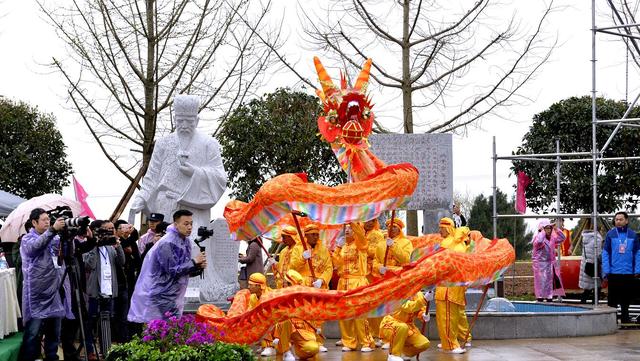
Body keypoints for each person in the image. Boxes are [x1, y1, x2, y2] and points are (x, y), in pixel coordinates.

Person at [131, 94, 227, 235]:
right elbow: (152, 175)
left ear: (197, 120)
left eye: (189, 121)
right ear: (175, 119)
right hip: (165, 203)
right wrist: (141, 197)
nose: (184, 125)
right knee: (165, 244)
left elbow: (220, 177)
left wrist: (194, 172)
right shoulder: (163, 143)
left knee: (194, 247)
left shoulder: (209, 143)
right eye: (180, 120)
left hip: (195, 208)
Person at [128, 209, 207, 323]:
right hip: (161, 293)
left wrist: (198, 267)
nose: (189, 227)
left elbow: (183, 271)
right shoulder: (168, 242)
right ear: (176, 224)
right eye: (186, 224)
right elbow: (173, 271)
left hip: (173, 292)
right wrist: (194, 262)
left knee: (170, 328)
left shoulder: (185, 241)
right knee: (167, 327)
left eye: (191, 224)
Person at [20, 208, 73, 361]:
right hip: (36, 294)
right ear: (34, 222)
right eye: (43, 220)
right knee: (33, 333)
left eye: (48, 219)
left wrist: (69, 236)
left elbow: (68, 254)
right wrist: (52, 230)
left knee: (54, 333)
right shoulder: (27, 239)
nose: (47, 222)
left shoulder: (55, 237)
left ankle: (52, 357)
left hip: (54, 290)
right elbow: (35, 248)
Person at [83, 222, 125, 360]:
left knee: (106, 321)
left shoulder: (110, 247)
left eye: (109, 231)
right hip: (95, 291)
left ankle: (106, 350)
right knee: (90, 323)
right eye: (103, 232)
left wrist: (118, 246)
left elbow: (122, 262)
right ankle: (89, 350)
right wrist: (95, 245)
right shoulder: (89, 246)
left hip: (109, 290)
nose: (107, 235)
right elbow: (90, 264)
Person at [332, 222, 375, 352]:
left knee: (360, 315)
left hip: (357, 282)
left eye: (351, 228)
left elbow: (361, 234)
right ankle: (349, 342)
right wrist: (337, 249)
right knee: (344, 314)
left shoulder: (361, 244)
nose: (347, 230)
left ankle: (366, 342)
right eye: (346, 228)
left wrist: (352, 220)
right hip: (343, 282)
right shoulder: (343, 246)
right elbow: (337, 264)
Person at [289, 223, 332, 352]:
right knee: (305, 314)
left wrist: (322, 279)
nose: (315, 237)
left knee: (318, 313)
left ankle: (319, 341)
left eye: (317, 234)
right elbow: (292, 267)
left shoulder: (323, 249)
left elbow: (329, 267)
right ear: (306, 236)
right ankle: (308, 339)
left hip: (318, 285)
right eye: (312, 234)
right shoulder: (298, 248)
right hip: (303, 285)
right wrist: (302, 258)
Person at [434, 218, 468, 354]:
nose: (439, 231)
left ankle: (451, 344)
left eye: (441, 228)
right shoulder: (452, 243)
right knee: (446, 318)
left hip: (448, 287)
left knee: (447, 318)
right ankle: (448, 343)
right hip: (447, 287)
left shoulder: (451, 244)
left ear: (447, 228)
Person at [274, 270, 320, 361]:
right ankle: (286, 351)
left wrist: (316, 328)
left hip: (301, 332)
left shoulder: (305, 300)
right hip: (283, 332)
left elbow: (312, 317)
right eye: (285, 283)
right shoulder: (279, 296)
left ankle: (297, 350)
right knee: (285, 320)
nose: (285, 285)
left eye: (288, 283)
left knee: (313, 348)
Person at [602, 211, 640, 323]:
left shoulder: (633, 235)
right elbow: (605, 253)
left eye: (621, 219)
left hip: (629, 273)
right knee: (612, 299)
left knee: (626, 299)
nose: (618, 221)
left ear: (626, 220)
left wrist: (637, 269)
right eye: (616, 219)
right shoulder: (610, 234)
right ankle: (612, 321)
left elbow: (638, 253)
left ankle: (625, 320)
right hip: (614, 272)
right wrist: (606, 270)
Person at [379, 291, 432, 361]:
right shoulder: (398, 292)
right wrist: (424, 300)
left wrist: (423, 315)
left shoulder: (418, 294)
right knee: (402, 327)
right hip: (392, 323)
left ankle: (404, 353)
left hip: (409, 327)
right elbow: (408, 307)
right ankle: (393, 354)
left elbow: (419, 310)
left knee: (424, 344)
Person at [364, 218, 385, 347]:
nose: (369, 222)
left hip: (374, 273)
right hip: (362, 272)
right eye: (367, 220)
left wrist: (362, 248)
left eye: (372, 220)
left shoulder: (377, 234)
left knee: (375, 303)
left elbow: (378, 251)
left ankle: (378, 334)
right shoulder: (359, 232)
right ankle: (363, 334)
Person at [532, 220, 566, 302]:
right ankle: (539, 296)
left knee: (549, 280)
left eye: (550, 228)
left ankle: (549, 296)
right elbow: (539, 241)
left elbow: (562, 238)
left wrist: (556, 229)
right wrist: (543, 231)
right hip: (539, 263)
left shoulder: (552, 238)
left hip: (549, 263)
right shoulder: (538, 238)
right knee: (540, 281)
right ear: (542, 229)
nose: (549, 230)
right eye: (546, 228)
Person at [578, 218, 603, 304]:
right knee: (597, 287)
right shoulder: (598, 238)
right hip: (594, 266)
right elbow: (599, 254)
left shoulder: (585, 236)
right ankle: (594, 306)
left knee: (587, 289)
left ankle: (582, 305)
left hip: (586, 265)